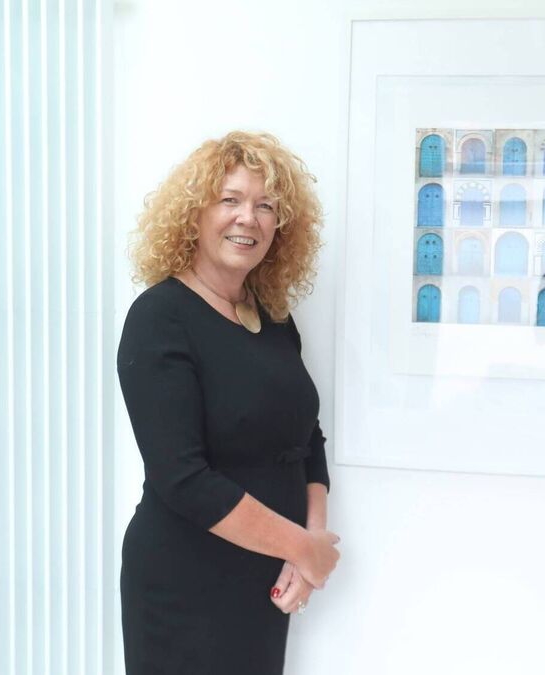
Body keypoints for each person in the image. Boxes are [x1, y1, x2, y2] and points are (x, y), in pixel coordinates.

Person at [118, 131, 340, 674]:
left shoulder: (275, 318)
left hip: (264, 579)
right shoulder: (159, 318)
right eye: (230, 199)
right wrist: (302, 549)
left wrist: (310, 543)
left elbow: (306, 438)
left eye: (266, 206)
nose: (249, 218)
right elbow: (182, 478)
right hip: (185, 581)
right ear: (194, 214)